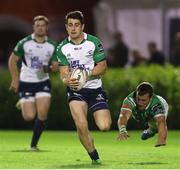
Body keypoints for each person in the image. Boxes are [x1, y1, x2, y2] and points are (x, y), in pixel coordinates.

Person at [56, 11, 112, 164]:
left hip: (95, 89)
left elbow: (103, 67)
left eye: (76, 25)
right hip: (76, 91)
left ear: (82, 26)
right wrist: (66, 81)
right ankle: (95, 158)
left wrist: (85, 75)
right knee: (81, 125)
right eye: (70, 25)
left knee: (105, 126)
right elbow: (63, 73)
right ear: (66, 27)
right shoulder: (62, 48)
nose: (73, 28)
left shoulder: (93, 42)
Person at [8, 15, 58, 150]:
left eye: (42, 25)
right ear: (33, 27)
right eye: (37, 25)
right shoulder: (25, 43)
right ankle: (23, 101)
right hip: (26, 81)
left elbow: (56, 65)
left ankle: (33, 145)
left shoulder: (52, 45)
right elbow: (12, 60)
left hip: (43, 82)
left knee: (42, 114)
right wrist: (15, 79)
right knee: (29, 116)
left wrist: (50, 68)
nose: (40, 28)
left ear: (46, 28)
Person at [117, 82, 168, 147]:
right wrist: (122, 129)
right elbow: (123, 115)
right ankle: (152, 129)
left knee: (157, 123)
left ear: (150, 98)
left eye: (143, 100)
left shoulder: (157, 104)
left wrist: (161, 140)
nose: (140, 103)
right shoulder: (130, 99)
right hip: (141, 114)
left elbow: (161, 121)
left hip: (158, 106)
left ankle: (152, 130)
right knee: (142, 117)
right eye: (138, 99)